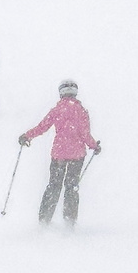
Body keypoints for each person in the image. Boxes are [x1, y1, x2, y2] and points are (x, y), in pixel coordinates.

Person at [19, 80, 101, 225]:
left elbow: (42, 127)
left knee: (54, 186)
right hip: (77, 155)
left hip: (59, 154)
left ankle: (44, 220)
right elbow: (85, 135)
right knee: (72, 187)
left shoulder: (57, 110)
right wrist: (94, 146)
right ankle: (69, 221)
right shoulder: (81, 111)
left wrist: (27, 135)